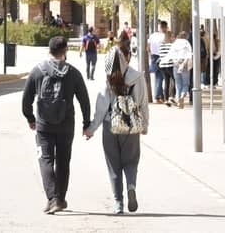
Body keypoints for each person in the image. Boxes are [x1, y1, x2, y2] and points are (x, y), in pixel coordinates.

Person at [21, 36, 91, 215]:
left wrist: (30, 118)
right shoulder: (73, 73)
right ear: (65, 51)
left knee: (45, 159)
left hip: (44, 125)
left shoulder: (37, 71)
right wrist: (86, 123)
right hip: (66, 124)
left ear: (49, 51)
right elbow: (84, 100)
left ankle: (52, 198)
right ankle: (59, 198)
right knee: (63, 161)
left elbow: (26, 99)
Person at [86, 43, 149, 214]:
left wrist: (92, 128)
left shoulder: (108, 78)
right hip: (131, 127)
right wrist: (145, 125)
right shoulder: (137, 77)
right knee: (131, 161)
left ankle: (118, 202)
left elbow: (101, 106)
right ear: (125, 58)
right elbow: (143, 104)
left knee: (113, 164)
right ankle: (131, 186)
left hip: (110, 125)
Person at [170, 31, 193, 109]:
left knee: (178, 84)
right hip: (185, 65)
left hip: (176, 65)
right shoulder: (187, 44)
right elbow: (188, 56)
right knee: (185, 84)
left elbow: (172, 56)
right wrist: (183, 64)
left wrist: (177, 63)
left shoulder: (175, 44)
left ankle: (179, 100)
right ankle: (182, 97)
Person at [147, 21, 168, 103]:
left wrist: (151, 55)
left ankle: (160, 95)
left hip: (153, 56)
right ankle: (157, 96)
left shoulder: (153, 35)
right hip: (162, 56)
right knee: (160, 77)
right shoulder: (165, 36)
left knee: (157, 76)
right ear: (165, 27)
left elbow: (148, 47)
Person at [157, 30, 176, 105]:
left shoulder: (161, 45)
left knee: (166, 82)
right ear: (170, 37)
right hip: (170, 65)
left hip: (162, 66)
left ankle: (166, 99)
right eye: (172, 36)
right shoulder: (171, 46)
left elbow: (160, 55)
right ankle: (172, 96)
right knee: (175, 80)